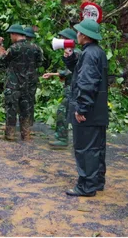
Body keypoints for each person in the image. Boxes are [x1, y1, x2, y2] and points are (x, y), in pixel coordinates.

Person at [63, 19, 109, 197]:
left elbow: (87, 82)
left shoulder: (89, 54)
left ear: (83, 35)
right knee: (97, 147)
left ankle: (86, 186)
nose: (77, 35)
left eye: (79, 32)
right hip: (98, 110)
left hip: (89, 111)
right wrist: (70, 59)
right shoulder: (96, 52)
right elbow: (82, 72)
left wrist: (81, 108)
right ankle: (96, 181)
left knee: (85, 148)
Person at [0, 24, 43, 141]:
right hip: (29, 84)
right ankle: (26, 134)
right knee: (26, 109)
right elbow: (39, 63)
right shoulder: (36, 48)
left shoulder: (13, 48)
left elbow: (2, 61)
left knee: (11, 109)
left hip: (14, 84)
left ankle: (10, 135)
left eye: (10, 35)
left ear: (14, 34)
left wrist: (0, 47)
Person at [42, 28, 81, 148]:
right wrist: (53, 74)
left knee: (62, 112)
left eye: (63, 39)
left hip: (74, 89)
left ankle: (62, 139)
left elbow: (71, 72)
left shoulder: (77, 53)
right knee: (67, 113)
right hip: (71, 88)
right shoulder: (73, 52)